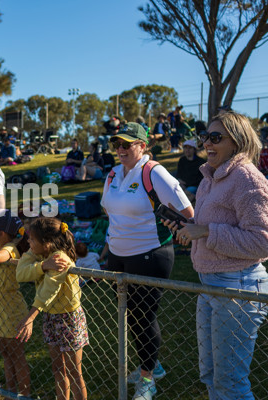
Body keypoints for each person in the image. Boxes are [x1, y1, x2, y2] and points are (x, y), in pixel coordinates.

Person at [167, 111, 268, 400]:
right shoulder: (209, 178)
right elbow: (208, 230)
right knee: (211, 376)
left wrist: (207, 232)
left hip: (239, 288)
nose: (206, 144)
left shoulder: (248, 179)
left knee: (230, 384)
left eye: (215, 137)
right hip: (210, 285)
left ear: (236, 141)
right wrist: (190, 230)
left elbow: (262, 242)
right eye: (205, 137)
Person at [101, 122, 194, 400]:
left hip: (150, 255)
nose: (121, 149)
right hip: (119, 256)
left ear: (143, 146)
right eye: (117, 144)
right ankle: (151, 364)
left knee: (144, 317)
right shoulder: (113, 173)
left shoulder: (153, 172)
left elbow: (189, 213)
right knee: (132, 317)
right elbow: (111, 213)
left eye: (127, 144)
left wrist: (180, 227)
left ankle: (147, 380)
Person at [16, 218, 88, 400]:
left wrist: (30, 317)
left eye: (32, 240)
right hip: (51, 317)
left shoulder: (59, 259)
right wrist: (42, 266)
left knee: (74, 371)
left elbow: (49, 290)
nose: (28, 243)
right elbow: (20, 273)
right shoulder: (40, 255)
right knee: (58, 369)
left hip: (69, 318)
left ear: (46, 243)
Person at [0, 210, 31, 396]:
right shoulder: (1, 245)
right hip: (0, 309)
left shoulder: (10, 248)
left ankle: (24, 395)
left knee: (17, 357)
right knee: (6, 354)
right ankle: (10, 393)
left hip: (12, 310)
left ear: (1, 232)